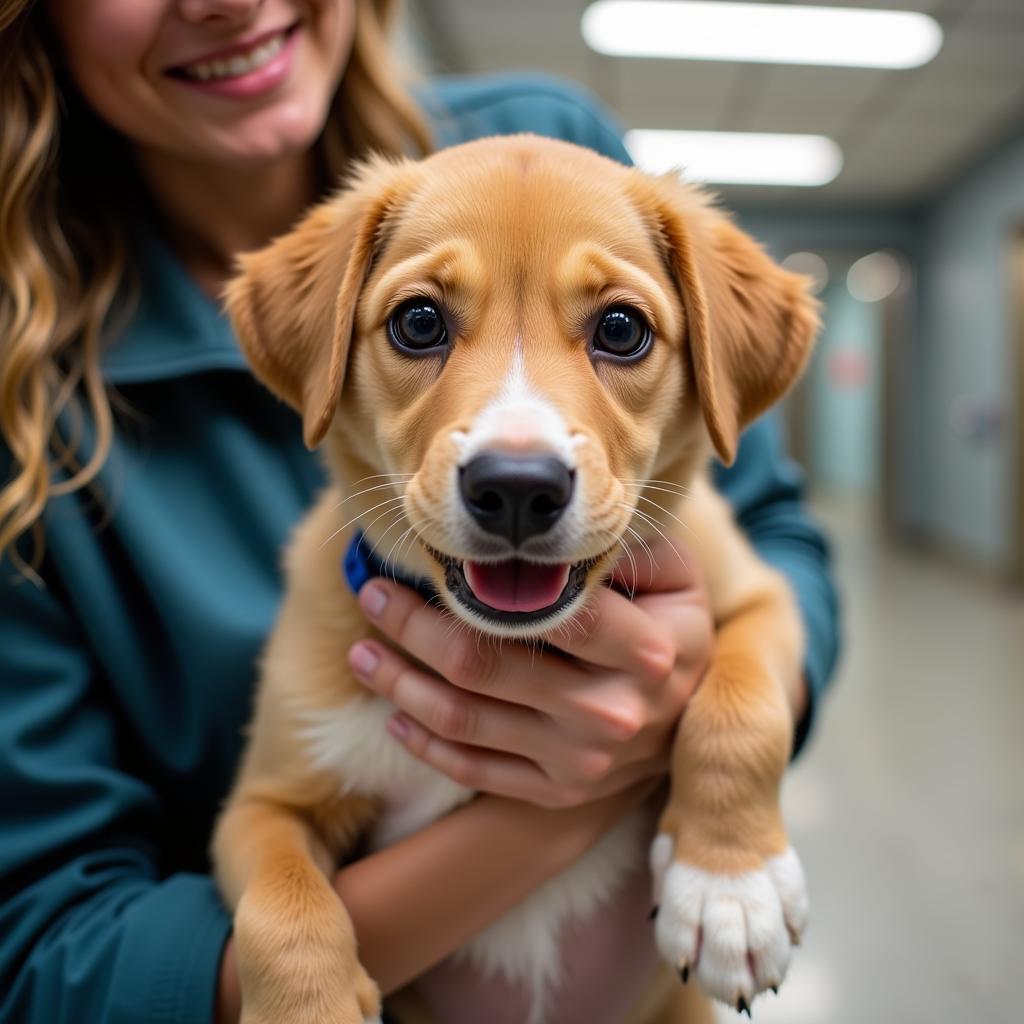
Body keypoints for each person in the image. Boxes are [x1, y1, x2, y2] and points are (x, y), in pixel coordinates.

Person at [0, 2, 840, 1022]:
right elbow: (49, 946)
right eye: (421, 321)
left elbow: (779, 566)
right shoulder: (31, 409)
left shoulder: (559, 150)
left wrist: (720, 754)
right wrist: (579, 793)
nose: (519, 451)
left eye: (617, 328)